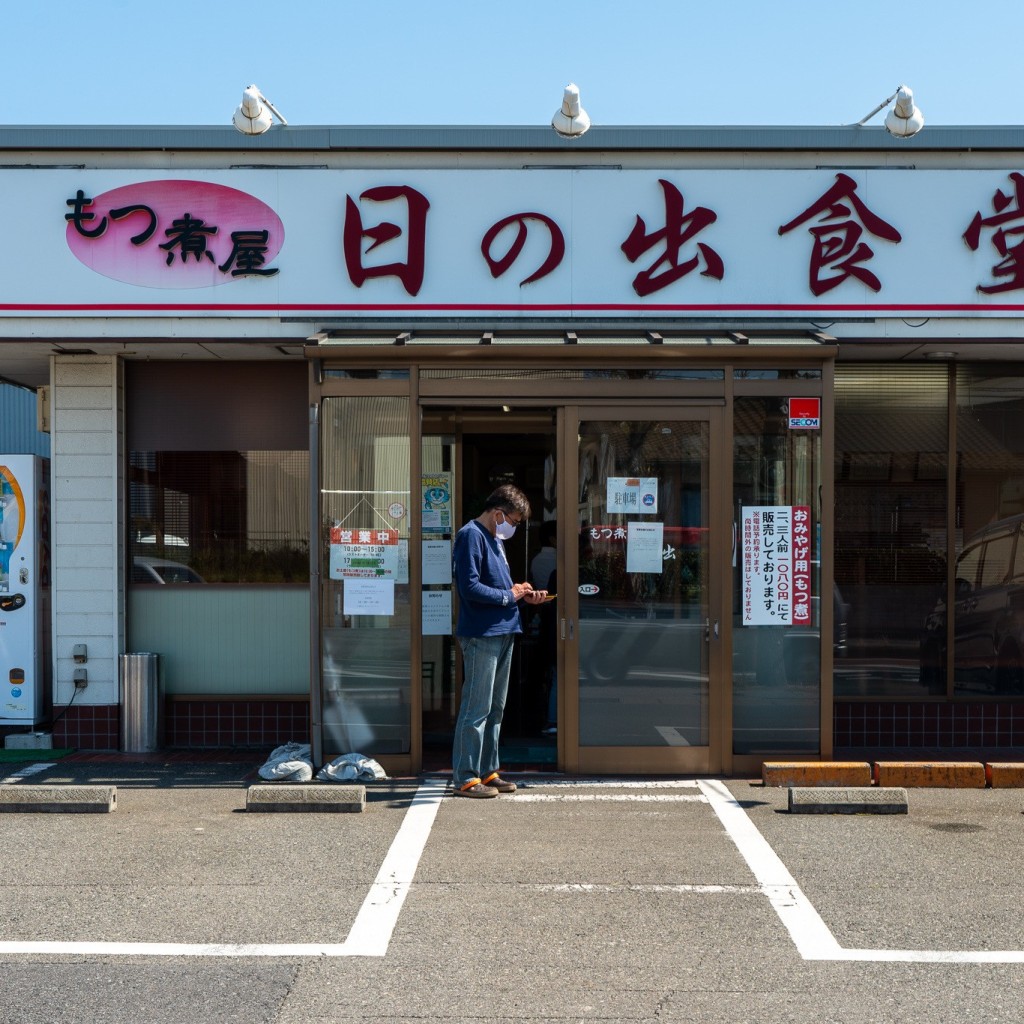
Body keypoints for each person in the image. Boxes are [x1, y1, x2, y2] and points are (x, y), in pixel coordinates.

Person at [451, 483, 547, 798]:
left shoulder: (493, 537)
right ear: (498, 513)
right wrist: (511, 595)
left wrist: (523, 596)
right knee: (476, 707)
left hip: (503, 631)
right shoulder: (471, 536)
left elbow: (500, 591)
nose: (514, 527)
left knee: (495, 707)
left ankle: (488, 771)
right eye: (514, 521)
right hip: (482, 634)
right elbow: (470, 588)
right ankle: (466, 777)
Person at [529, 520, 558, 735]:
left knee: (551, 672)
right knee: (557, 673)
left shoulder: (537, 560)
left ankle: (550, 719)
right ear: (554, 538)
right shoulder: (557, 561)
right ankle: (552, 719)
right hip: (552, 616)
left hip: (543, 615)